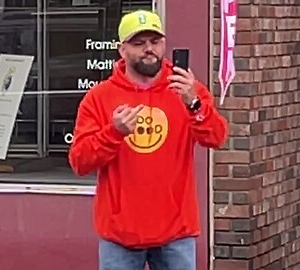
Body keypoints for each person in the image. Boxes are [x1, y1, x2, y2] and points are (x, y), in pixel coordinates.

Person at [68, 9, 228, 270]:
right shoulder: (99, 98)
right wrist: (114, 132)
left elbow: (217, 138)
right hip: (120, 235)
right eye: (139, 43)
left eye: (155, 42)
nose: (149, 49)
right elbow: (80, 162)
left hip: (176, 232)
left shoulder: (187, 89)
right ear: (122, 50)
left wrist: (194, 104)